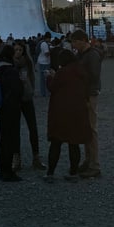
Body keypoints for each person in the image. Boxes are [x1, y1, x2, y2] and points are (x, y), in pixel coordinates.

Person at [43, 48, 91, 182]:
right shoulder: (81, 71)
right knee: (73, 143)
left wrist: (49, 77)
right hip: (77, 110)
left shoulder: (62, 72)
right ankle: (73, 172)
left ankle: (50, 173)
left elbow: (52, 87)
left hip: (61, 111)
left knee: (56, 143)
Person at [71, 30, 103, 179]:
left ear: (83, 40)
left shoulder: (92, 55)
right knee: (85, 128)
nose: (73, 45)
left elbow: (94, 76)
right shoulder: (81, 55)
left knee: (91, 129)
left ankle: (95, 165)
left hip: (90, 94)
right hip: (82, 94)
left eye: (75, 41)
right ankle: (88, 159)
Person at [0, 45, 23, 182]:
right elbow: (17, 90)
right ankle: (8, 172)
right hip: (11, 108)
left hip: (0, 108)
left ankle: (2, 169)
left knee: (3, 138)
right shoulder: (11, 71)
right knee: (10, 139)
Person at [12, 41, 45, 171]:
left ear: (23, 51)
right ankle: (16, 159)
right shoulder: (11, 63)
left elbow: (32, 77)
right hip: (15, 98)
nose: (18, 52)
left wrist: (31, 90)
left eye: (20, 50)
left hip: (26, 97)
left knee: (33, 128)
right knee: (15, 130)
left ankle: (36, 158)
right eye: (16, 50)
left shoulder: (28, 62)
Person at [35, 33, 52, 97]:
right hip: (44, 63)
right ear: (47, 38)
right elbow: (47, 54)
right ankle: (44, 92)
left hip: (42, 62)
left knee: (43, 78)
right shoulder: (44, 44)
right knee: (45, 78)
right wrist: (52, 51)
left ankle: (44, 92)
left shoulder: (42, 43)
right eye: (50, 38)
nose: (50, 40)